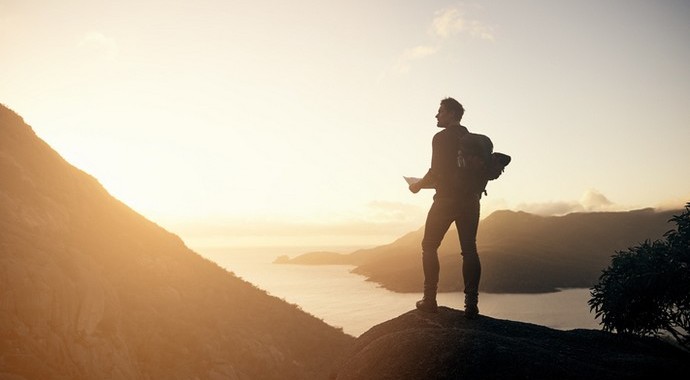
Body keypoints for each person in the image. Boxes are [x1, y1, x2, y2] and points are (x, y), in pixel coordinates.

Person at [409, 97, 490, 319]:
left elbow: (435, 171)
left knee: (429, 245)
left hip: (446, 200)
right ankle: (471, 305)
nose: (437, 115)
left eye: (441, 111)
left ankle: (429, 299)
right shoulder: (471, 140)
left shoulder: (441, 138)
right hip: (471, 200)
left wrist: (416, 186)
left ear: (452, 114)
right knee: (469, 250)